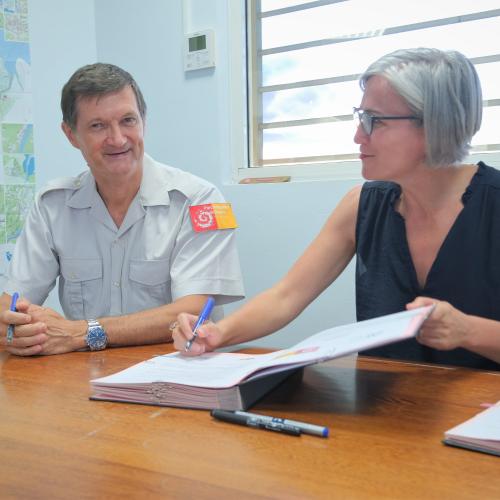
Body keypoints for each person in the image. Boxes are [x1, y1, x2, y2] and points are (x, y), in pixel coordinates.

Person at [173, 47, 500, 370]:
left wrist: (468, 330)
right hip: (384, 408)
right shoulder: (361, 205)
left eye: (375, 121)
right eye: (360, 117)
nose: (358, 135)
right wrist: (216, 333)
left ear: (434, 124)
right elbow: (287, 296)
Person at [0, 63, 244, 356]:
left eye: (128, 120)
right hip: (83, 376)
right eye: (98, 126)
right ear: (71, 135)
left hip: (181, 371)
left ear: (144, 122)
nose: (117, 139)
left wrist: (80, 332)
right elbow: (14, 302)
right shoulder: (52, 206)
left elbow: (193, 311)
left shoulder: (201, 201)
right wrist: (13, 324)